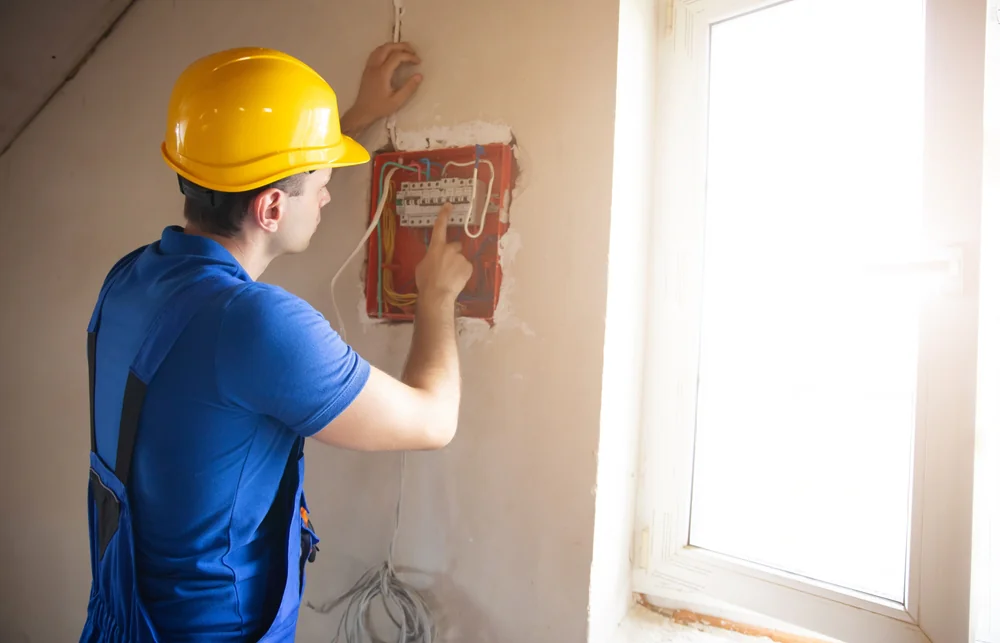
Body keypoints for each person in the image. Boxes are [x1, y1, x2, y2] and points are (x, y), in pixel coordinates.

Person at [80, 43, 472, 643]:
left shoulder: (133, 277)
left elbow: (268, 193)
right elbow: (433, 420)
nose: (328, 194)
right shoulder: (257, 326)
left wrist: (352, 118)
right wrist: (437, 297)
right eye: (318, 181)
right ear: (269, 207)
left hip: (120, 618)